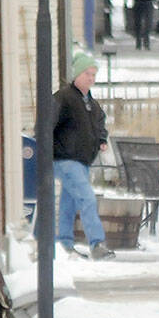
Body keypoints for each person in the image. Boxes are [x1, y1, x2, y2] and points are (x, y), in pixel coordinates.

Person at [50, 49, 115, 260]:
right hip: (65, 159)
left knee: (69, 202)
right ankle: (97, 243)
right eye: (87, 73)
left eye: (94, 74)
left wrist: (102, 140)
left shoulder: (91, 103)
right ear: (76, 74)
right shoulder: (63, 98)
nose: (91, 78)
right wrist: (47, 149)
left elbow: (99, 125)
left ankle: (65, 244)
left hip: (82, 160)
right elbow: (46, 125)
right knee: (87, 199)